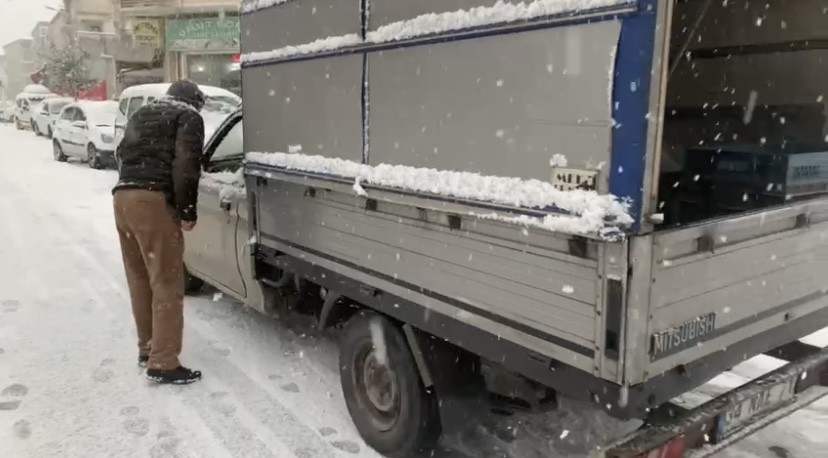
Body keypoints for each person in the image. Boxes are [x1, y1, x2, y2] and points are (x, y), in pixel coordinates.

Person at [112, 80, 205, 385]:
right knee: (166, 280)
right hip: (152, 199)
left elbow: (121, 152)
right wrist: (187, 210)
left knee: (139, 277)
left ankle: (147, 347)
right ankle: (164, 362)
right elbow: (186, 164)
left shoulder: (141, 114)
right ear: (194, 101)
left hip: (123, 197)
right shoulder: (188, 116)